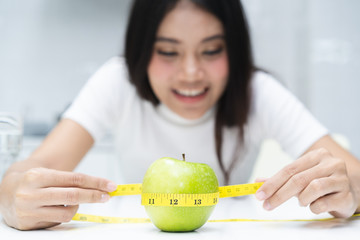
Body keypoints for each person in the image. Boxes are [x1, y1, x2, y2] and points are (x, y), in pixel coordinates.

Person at [0, 0, 359, 231]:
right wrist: (12, 195)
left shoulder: (257, 91)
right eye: (168, 52)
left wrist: (349, 191)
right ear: (141, 50)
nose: (190, 73)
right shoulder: (117, 82)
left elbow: (353, 173)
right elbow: (29, 170)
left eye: (212, 50)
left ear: (234, 50)